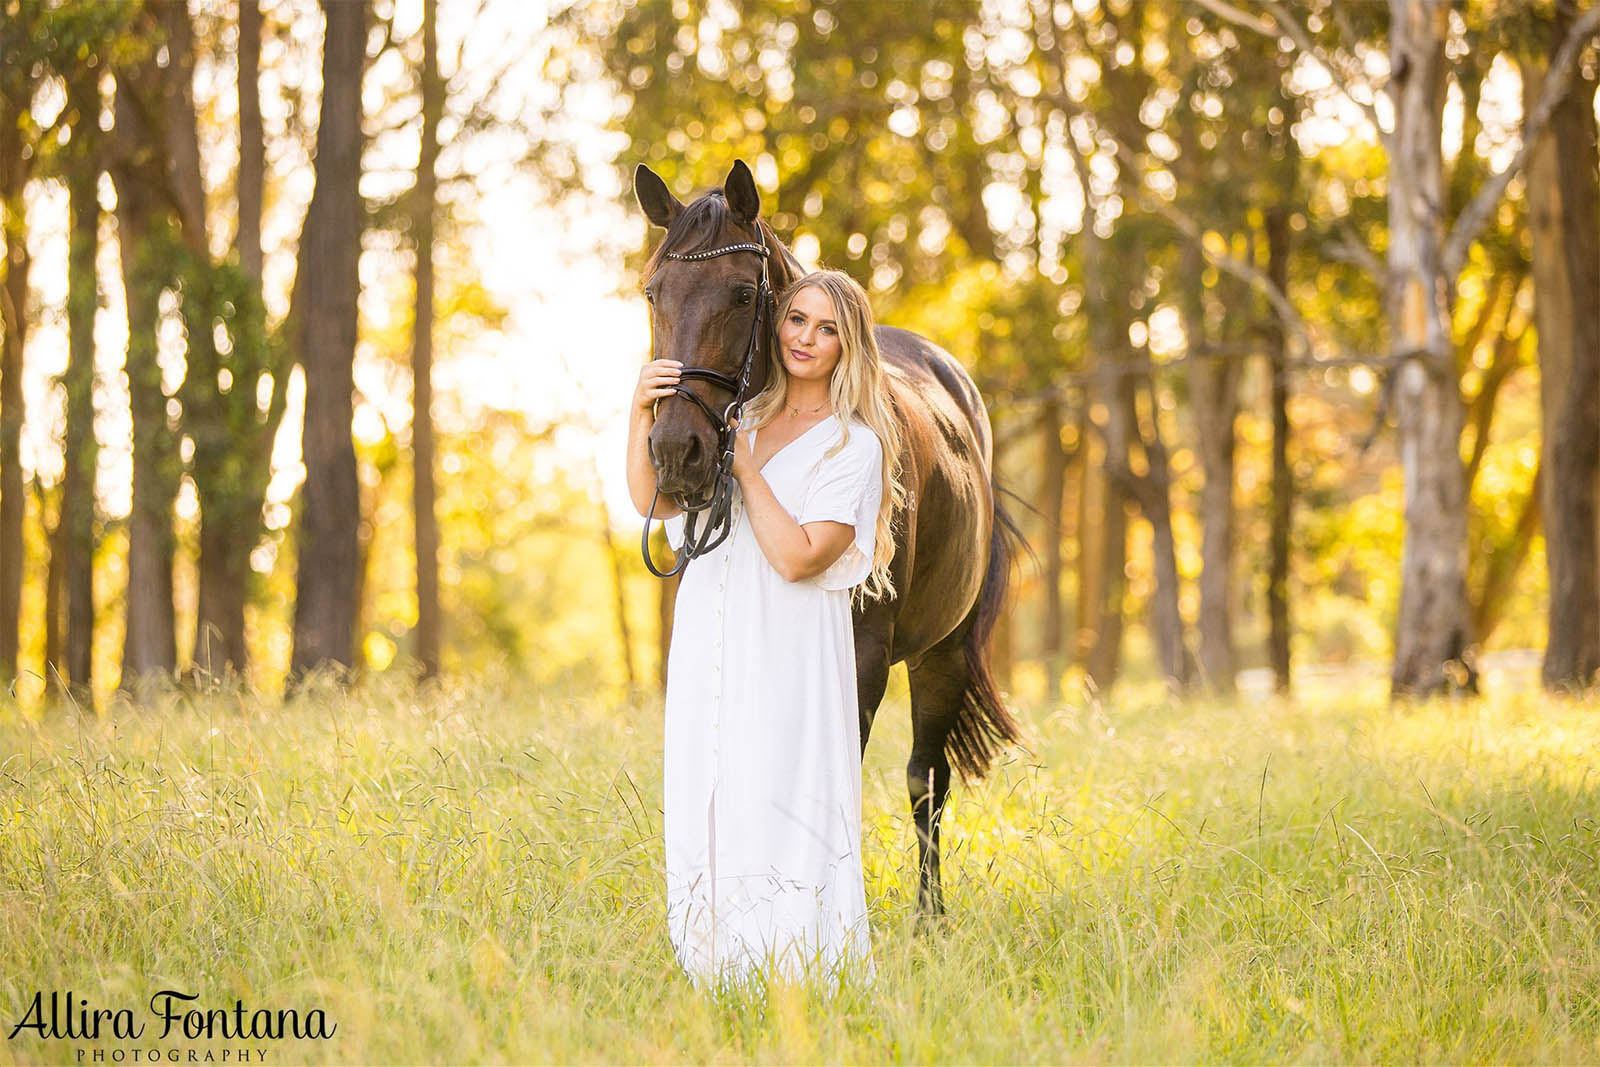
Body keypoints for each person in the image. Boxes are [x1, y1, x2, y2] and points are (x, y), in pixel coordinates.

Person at [626, 269, 904, 989]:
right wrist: (639, 413)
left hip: (787, 646)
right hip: (711, 635)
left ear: (850, 345)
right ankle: (714, 964)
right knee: (710, 782)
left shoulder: (853, 446)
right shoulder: (737, 416)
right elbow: (653, 506)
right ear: (777, 325)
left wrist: (746, 469)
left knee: (781, 787)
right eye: (797, 320)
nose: (806, 338)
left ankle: (798, 967)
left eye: (827, 327)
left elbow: (797, 556)